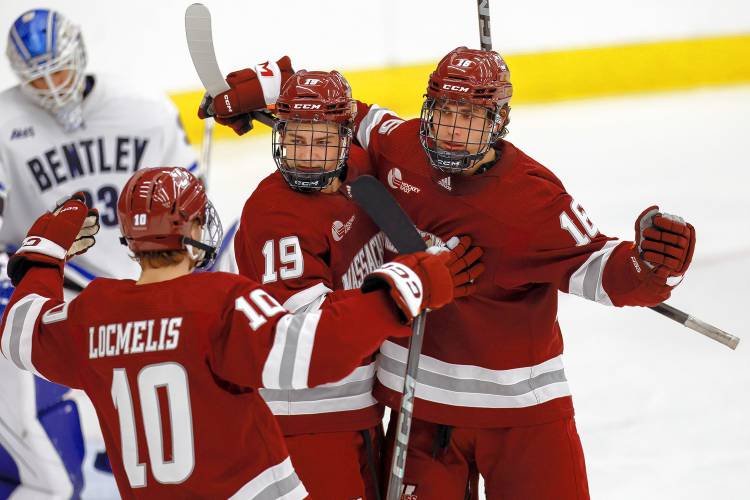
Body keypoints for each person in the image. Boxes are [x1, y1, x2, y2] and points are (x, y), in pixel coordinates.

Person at [205, 46, 696, 499]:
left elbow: (599, 267)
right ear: (427, 110)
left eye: (471, 118)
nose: (453, 131)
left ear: (499, 121)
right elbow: (345, 112)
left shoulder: (534, 197)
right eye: (444, 114)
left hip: (519, 418)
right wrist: (274, 87)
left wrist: (651, 267)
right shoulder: (399, 148)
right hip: (416, 411)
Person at [0, 165, 467, 498]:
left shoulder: (94, 314)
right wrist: (403, 289)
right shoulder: (219, 301)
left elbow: (19, 334)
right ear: (196, 227)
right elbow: (313, 353)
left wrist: (44, 254)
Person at [201, 67, 484, 499]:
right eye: (295, 140)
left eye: (321, 142)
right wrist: (408, 290)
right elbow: (317, 334)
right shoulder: (276, 215)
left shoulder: (358, 170)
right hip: (305, 421)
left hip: (357, 409)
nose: (307, 157)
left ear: (347, 138)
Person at [0, 8, 198, 498]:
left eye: (59, 71)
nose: (52, 88)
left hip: (141, 267)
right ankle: (40, 460)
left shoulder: (143, 108)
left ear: (79, 55)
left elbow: (191, 194)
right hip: (47, 273)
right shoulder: (4, 121)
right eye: (37, 81)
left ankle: (144, 447)